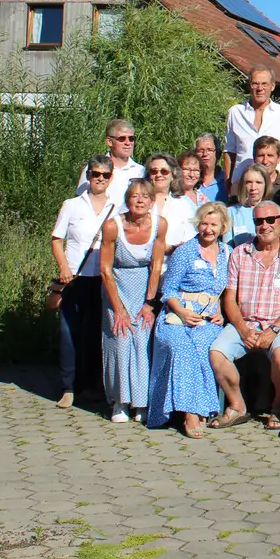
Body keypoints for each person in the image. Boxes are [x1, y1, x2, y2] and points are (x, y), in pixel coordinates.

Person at [209, 200, 280, 432]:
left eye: (270, 220)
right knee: (216, 353)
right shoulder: (239, 253)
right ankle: (238, 406)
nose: (265, 225)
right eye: (259, 221)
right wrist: (243, 329)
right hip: (244, 322)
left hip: (277, 324)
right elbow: (229, 298)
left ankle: (278, 406)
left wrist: (275, 328)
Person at [148, 202, 232, 439]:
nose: (208, 229)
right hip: (177, 316)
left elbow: (228, 292)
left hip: (209, 319)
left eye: (213, 224)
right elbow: (169, 290)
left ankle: (203, 406)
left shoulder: (227, 253)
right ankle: (190, 413)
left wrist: (222, 312)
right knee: (182, 347)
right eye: (204, 223)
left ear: (222, 226)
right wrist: (183, 313)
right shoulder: (186, 251)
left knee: (206, 346)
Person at [51, 154, 118, 409]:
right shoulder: (72, 205)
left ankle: (90, 386)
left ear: (111, 178)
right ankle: (68, 387)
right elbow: (57, 239)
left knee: (94, 335)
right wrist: (63, 267)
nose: (100, 179)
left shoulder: (117, 207)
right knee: (70, 334)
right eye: (95, 174)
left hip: (103, 279)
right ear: (88, 176)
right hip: (75, 278)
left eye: (105, 175)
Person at [98, 179, 166, 423]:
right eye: (134, 196)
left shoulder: (160, 225)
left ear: (151, 201)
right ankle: (119, 401)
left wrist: (150, 303)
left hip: (144, 288)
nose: (139, 200)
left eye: (144, 196)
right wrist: (118, 309)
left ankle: (141, 401)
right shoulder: (112, 226)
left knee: (143, 338)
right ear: (127, 200)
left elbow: (156, 266)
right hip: (116, 286)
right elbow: (105, 269)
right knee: (121, 337)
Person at [225, 67, 280, 182]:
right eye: (255, 84)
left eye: (264, 84)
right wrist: (227, 182)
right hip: (242, 183)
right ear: (249, 85)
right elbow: (230, 151)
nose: (260, 88)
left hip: (274, 186)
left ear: (272, 86)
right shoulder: (235, 112)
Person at [77, 119, 146, 200]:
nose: (128, 143)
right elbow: (79, 201)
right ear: (109, 142)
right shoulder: (94, 170)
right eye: (122, 139)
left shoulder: (141, 171)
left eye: (131, 138)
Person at [144, 154, 195, 253]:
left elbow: (191, 238)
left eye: (164, 171)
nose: (159, 175)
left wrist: (169, 248)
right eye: (154, 171)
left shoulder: (184, 204)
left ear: (173, 175)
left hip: (175, 261)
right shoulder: (139, 201)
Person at [226, 164, 274, 247]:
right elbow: (227, 247)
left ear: (266, 185)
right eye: (248, 182)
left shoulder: (275, 211)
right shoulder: (230, 212)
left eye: (258, 182)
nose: (253, 187)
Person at [244, 136, 280, 201]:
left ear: (279, 158)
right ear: (254, 158)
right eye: (261, 155)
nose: (265, 161)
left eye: (270, 156)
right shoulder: (242, 186)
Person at [194, 134, 230, 203]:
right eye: (200, 151)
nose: (205, 154)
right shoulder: (191, 179)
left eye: (209, 150)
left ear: (218, 154)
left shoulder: (227, 180)